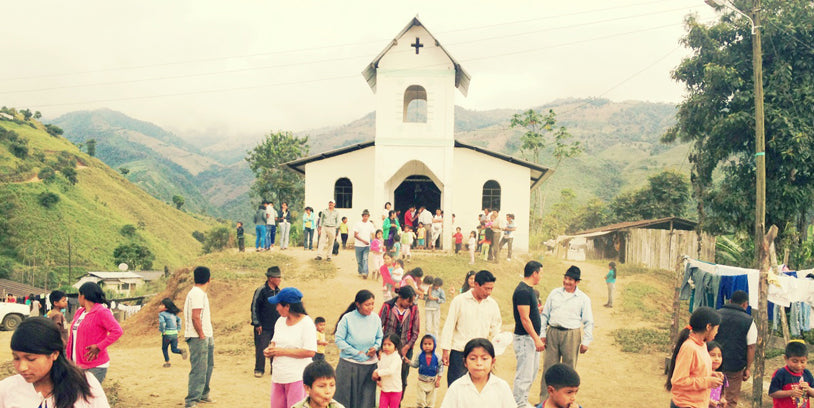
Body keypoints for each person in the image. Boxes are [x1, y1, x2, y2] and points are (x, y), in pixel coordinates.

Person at [0, 317, 110, 408]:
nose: (22, 367)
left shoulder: (86, 384)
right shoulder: (7, 389)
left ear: (54, 354)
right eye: (16, 358)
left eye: (31, 359)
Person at [440, 270, 502, 386]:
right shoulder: (459, 301)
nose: (489, 292)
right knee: (456, 387)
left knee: (479, 387)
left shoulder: (492, 304)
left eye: (491, 289)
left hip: (481, 354)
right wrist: (445, 350)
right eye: (486, 288)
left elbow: (496, 329)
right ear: (476, 284)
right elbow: (449, 325)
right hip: (460, 352)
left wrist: (494, 351)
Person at [264, 287, 318, 408]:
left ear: (287, 306)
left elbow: (310, 351)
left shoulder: (307, 324)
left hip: (296, 377)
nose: (277, 308)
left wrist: (281, 351)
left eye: (278, 305)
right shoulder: (280, 321)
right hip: (279, 376)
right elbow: (274, 342)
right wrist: (271, 349)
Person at [665, 306, 723, 408]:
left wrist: (711, 375)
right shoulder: (689, 348)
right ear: (708, 327)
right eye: (716, 329)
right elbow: (679, 380)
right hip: (686, 404)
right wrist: (707, 381)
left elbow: (695, 372)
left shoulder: (703, 345)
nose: (717, 333)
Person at [334, 290, 383, 408]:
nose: (371, 307)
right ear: (358, 304)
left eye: (372, 304)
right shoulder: (347, 318)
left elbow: (380, 337)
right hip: (349, 365)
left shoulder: (376, 318)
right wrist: (356, 353)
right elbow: (339, 340)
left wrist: (375, 348)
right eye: (367, 304)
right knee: (345, 400)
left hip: (369, 366)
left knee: (366, 401)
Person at [66, 282, 123, 384]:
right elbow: (73, 338)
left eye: (78, 295)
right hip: (77, 365)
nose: (78, 298)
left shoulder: (101, 312)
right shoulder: (80, 312)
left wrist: (99, 346)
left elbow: (117, 331)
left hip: (95, 366)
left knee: (90, 397)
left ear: (83, 295)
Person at [439, 338, 515, 407]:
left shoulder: (502, 387)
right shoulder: (456, 388)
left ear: (493, 362)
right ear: (465, 362)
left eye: (484, 358)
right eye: (473, 358)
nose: (479, 363)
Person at [713, 290, 757, 408]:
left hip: (714, 363)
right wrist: (748, 368)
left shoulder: (716, 314)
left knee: (712, 397)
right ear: (745, 304)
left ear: (730, 301)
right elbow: (751, 346)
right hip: (735, 366)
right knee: (730, 400)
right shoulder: (749, 321)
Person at [513, 261, 545, 408]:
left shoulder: (529, 290)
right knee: (524, 375)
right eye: (541, 273)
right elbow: (524, 319)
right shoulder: (523, 291)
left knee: (531, 373)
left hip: (530, 339)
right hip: (526, 339)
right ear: (534, 273)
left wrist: (538, 310)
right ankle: (518, 403)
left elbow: (529, 313)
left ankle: (522, 401)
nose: (541, 276)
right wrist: (536, 339)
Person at [380, 285, 420, 399]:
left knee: (402, 378)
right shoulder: (387, 306)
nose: (411, 303)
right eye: (409, 300)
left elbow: (415, 332)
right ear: (401, 297)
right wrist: (381, 348)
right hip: (388, 349)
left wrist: (407, 347)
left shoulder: (414, 309)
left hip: (406, 350)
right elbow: (379, 327)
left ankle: (397, 403)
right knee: (387, 377)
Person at [184, 266, 215, 408]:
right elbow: (195, 317)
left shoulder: (199, 293)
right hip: (198, 337)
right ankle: (192, 400)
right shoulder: (196, 294)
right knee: (199, 368)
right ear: (209, 279)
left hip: (206, 335)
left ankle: (203, 394)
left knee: (208, 366)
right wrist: (201, 334)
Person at [251, 266, 282, 378]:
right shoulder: (261, 291)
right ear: (270, 278)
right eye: (277, 277)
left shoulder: (278, 291)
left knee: (275, 348)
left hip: (276, 326)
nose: (279, 280)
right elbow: (254, 307)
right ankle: (259, 369)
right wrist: (257, 323)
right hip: (263, 326)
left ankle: (275, 369)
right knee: (261, 348)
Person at [769, 340, 814, 408]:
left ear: (807, 359)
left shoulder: (807, 374)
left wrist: (808, 389)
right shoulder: (781, 374)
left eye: (802, 362)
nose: (799, 365)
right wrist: (790, 393)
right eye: (795, 361)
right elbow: (772, 393)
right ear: (786, 358)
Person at [409, 334, 444, 408]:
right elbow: (415, 364)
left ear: (434, 345)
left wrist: (438, 380)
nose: (427, 346)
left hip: (432, 382)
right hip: (421, 382)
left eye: (429, 344)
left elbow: (441, 367)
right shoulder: (419, 355)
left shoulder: (437, 357)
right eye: (425, 344)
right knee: (420, 401)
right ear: (422, 345)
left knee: (431, 401)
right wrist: (408, 362)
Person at [372, 334, 404, 408]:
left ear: (395, 346)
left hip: (395, 390)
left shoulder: (396, 357)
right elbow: (380, 367)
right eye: (384, 344)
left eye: (389, 345)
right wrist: (376, 373)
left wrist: (378, 373)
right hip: (384, 389)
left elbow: (390, 370)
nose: (386, 347)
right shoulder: (383, 355)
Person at [159, 298, 188, 367]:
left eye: (161, 305)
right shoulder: (173, 315)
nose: (159, 306)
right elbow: (179, 320)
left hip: (167, 334)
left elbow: (162, 322)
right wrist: (178, 329)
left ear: (166, 307)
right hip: (175, 334)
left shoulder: (162, 314)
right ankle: (181, 351)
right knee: (174, 349)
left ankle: (167, 362)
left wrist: (163, 331)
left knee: (164, 348)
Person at [353, 209, 376, 279]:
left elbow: (373, 234)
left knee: (365, 259)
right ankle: (360, 271)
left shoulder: (370, 224)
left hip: (367, 245)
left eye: (367, 216)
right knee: (359, 260)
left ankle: (365, 272)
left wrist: (374, 243)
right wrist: (363, 241)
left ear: (368, 216)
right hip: (358, 245)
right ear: (362, 216)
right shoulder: (358, 224)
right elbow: (355, 235)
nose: (365, 217)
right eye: (364, 216)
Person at [707, 341, 727, 408]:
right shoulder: (700, 375)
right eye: (712, 355)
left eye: (719, 356)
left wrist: (722, 399)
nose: (716, 359)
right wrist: (708, 401)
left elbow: (722, 393)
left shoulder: (721, 376)